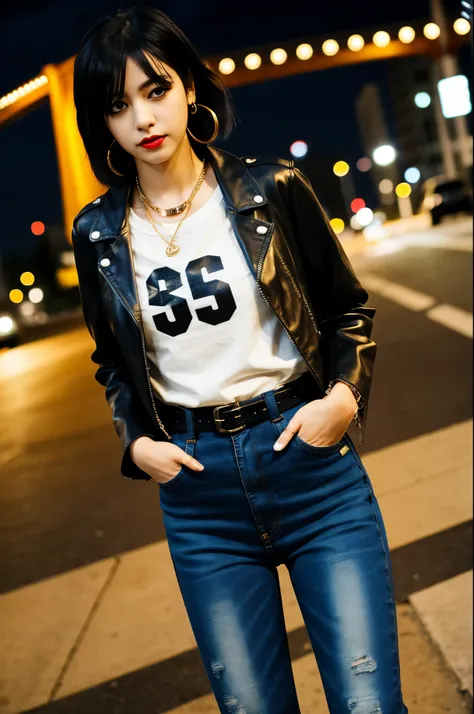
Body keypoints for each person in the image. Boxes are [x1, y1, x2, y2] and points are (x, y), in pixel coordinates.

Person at [72, 5, 408, 713]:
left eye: (155, 89)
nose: (142, 117)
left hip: (310, 468)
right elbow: (113, 363)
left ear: (190, 88)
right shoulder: (99, 233)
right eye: (117, 105)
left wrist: (343, 400)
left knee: (368, 704)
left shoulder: (270, 189)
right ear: (102, 123)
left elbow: (348, 310)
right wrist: (138, 446)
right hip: (201, 499)